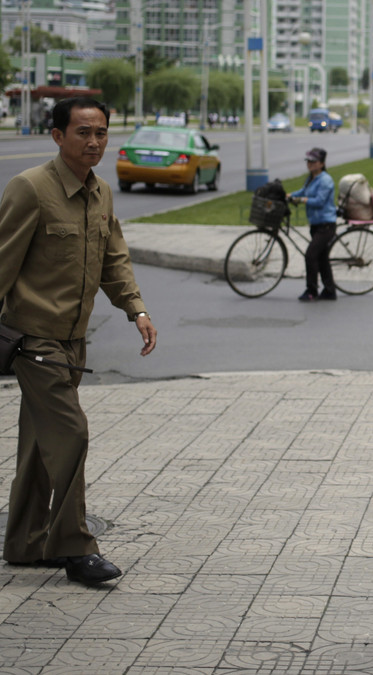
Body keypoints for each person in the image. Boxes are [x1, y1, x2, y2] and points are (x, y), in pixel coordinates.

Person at [0, 97, 158, 586]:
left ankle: (26, 544)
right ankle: (74, 547)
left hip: (74, 342)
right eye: (83, 133)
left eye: (102, 133)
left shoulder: (101, 193)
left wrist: (137, 309)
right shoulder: (30, 189)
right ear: (57, 136)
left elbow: (114, 260)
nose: (94, 142)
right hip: (34, 341)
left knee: (38, 443)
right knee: (71, 434)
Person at [287, 147, 338, 301]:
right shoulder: (311, 178)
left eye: (313, 161)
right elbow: (303, 191)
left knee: (311, 256)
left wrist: (301, 200)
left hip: (326, 225)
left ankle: (311, 291)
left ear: (321, 164)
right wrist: (289, 195)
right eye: (308, 161)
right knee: (321, 258)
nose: (309, 164)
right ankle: (329, 291)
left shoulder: (325, 180)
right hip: (315, 225)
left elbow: (319, 201)